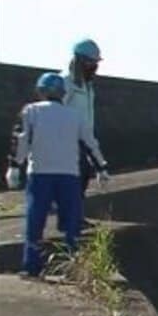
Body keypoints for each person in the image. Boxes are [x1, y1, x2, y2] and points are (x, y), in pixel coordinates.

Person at [12, 73, 104, 276]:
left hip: (39, 174)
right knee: (71, 224)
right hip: (69, 175)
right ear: (63, 93)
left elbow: (21, 140)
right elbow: (90, 144)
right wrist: (101, 168)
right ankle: (73, 265)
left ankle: (31, 267)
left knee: (35, 222)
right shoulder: (74, 115)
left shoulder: (31, 111)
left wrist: (15, 166)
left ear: (40, 91)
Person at [61, 38, 110, 196]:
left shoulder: (88, 86)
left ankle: (77, 216)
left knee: (83, 176)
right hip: (66, 141)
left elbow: (88, 119)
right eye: (91, 62)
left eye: (95, 63)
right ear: (80, 61)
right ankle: (70, 216)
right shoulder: (65, 82)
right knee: (75, 177)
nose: (94, 67)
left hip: (84, 140)